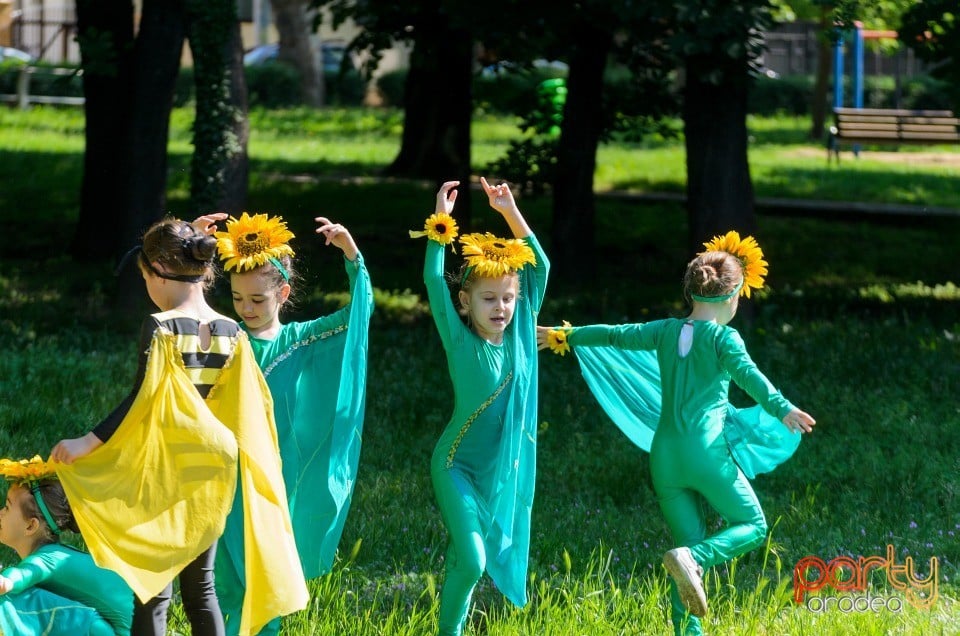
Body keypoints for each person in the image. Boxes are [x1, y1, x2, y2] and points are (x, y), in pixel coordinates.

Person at [538, 231, 815, 636]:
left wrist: (568, 335)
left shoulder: (664, 330)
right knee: (751, 526)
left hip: (664, 456)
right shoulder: (723, 338)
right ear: (733, 295)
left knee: (683, 550)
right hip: (705, 453)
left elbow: (615, 334)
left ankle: (688, 629)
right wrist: (784, 409)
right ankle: (695, 557)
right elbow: (752, 380)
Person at [50, 216, 308, 636]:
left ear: (158, 274)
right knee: (200, 588)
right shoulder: (232, 332)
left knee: (154, 589)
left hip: (165, 470)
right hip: (210, 472)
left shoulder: (161, 327)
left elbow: (141, 399)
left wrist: (88, 442)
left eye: (145, 278)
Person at [208, 211, 373, 636]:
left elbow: (359, 311)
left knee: (266, 578)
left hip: (272, 481)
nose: (246, 308)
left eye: (258, 300)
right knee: (225, 581)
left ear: (282, 293)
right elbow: (179, 304)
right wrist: (191, 242)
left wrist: (351, 254)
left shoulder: (300, 339)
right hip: (225, 475)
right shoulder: (225, 336)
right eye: (238, 298)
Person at [412, 178, 549, 636]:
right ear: (464, 303)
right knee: (473, 559)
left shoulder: (521, 337)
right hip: (455, 466)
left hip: (497, 472)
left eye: (508, 298)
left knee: (463, 560)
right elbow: (434, 278)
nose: (502, 308)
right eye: (489, 299)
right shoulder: (460, 340)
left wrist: (508, 211)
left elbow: (540, 267)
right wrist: (440, 223)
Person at [0, 456, 133, 635]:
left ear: (31, 526)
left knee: (15, 598)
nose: (1, 512)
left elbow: (24, 574)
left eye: (7, 508)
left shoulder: (49, 558)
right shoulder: (56, 554)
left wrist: (6, 581)